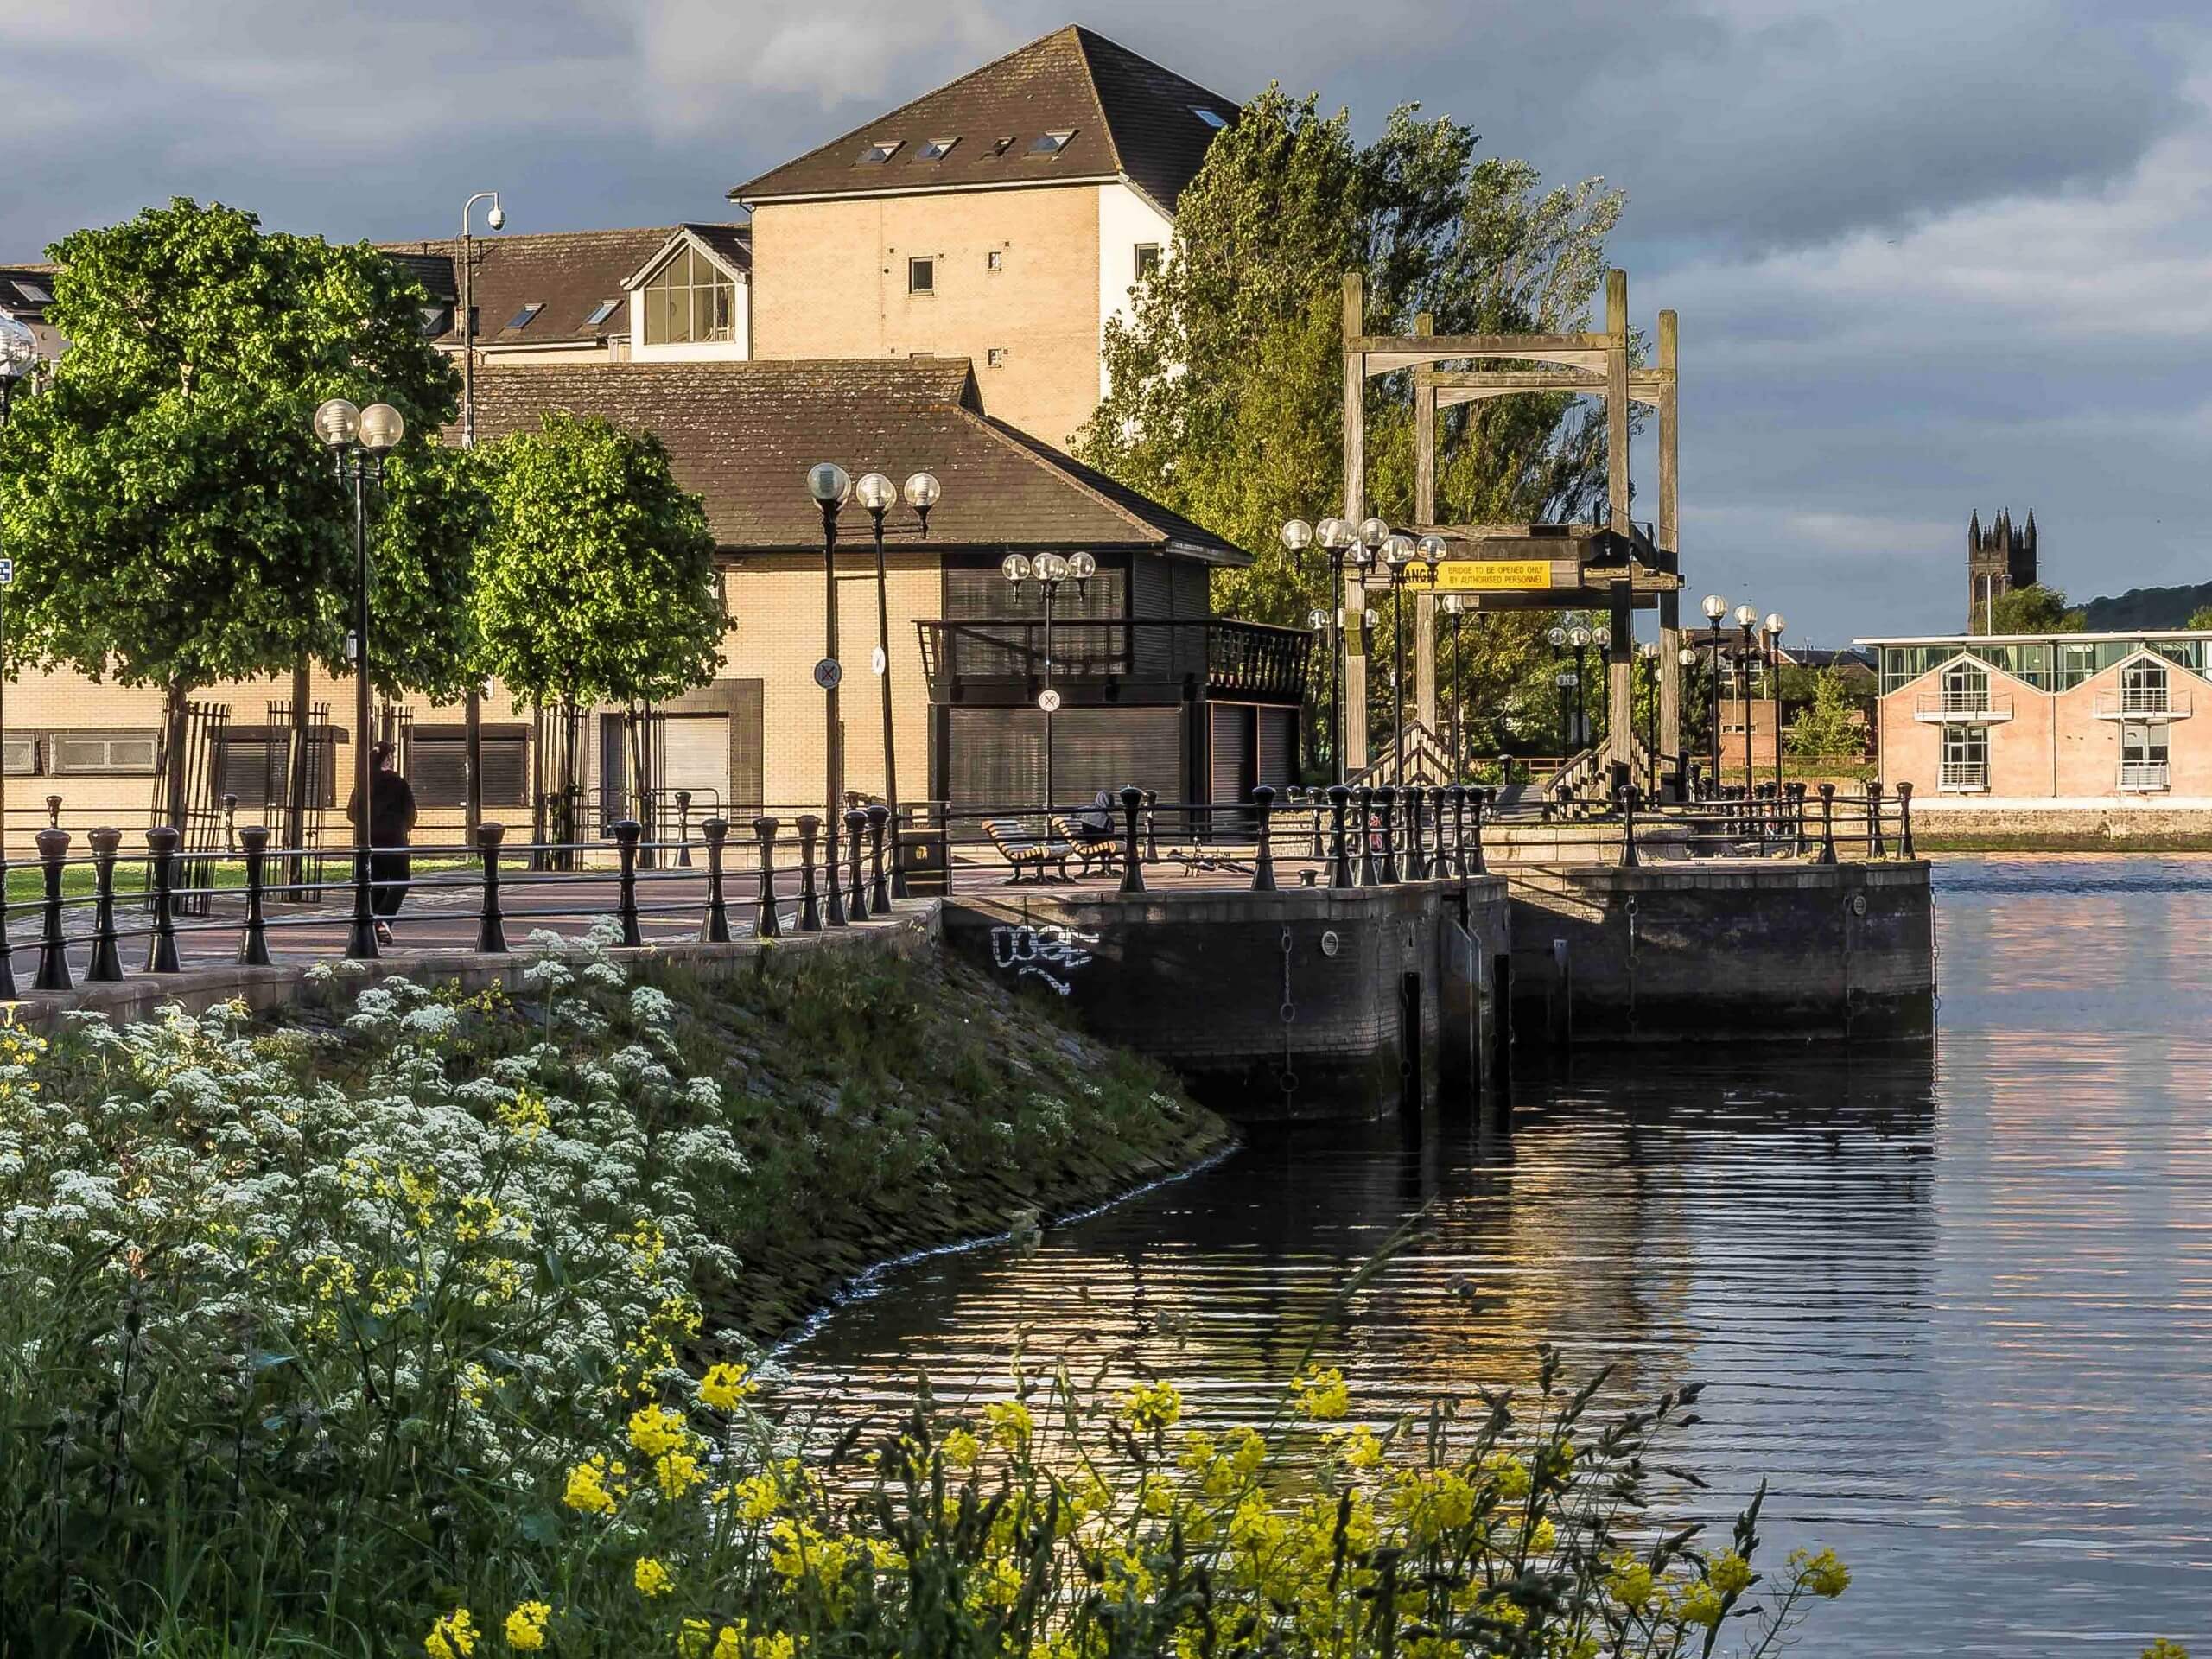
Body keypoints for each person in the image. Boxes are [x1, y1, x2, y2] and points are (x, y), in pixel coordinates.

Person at [345, 741, 418, 947]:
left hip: (369, 842)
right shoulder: (399, 783)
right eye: (391, 757)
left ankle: (371, 931)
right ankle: (383, 918)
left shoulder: (363, 784)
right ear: (387, 759)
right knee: (401, 881)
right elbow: (411, 813)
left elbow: (351, 813)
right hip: (394, 840)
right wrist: (401, 826)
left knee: (375, 884)